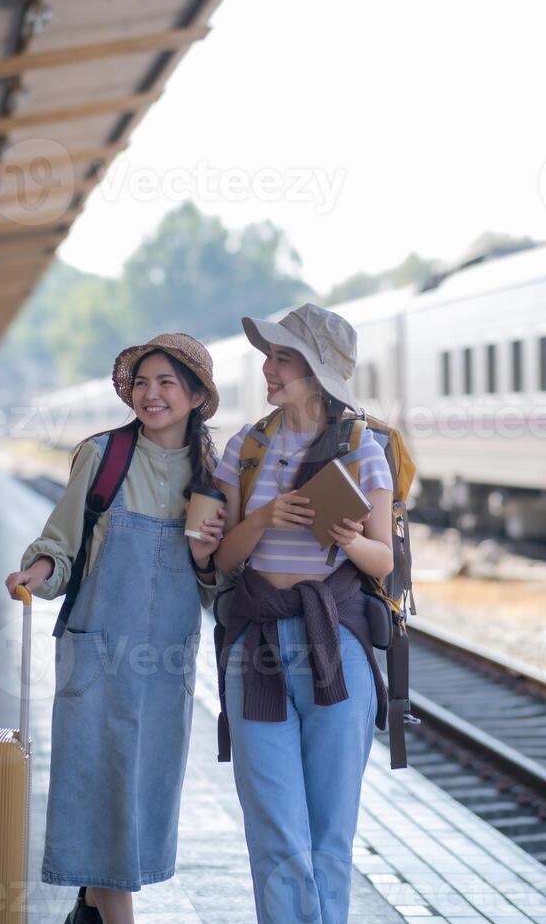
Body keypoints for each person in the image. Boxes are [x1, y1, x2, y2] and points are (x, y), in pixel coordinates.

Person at [5, 334, 225, 924]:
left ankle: (93, 909)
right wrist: (37, 572)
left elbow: (217, 584)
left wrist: (208, 558)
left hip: (164, 666)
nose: (150, 395)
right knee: (96, 792)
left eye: (166, 383)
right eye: (141, 383)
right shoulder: (102, 456)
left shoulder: (213, 475)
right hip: (96, 656)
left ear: (197, 395)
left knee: (140, 796)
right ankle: (106, 910)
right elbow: (62, 543)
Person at [212, 303, 394, 924]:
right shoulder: (246, 446)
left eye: (282, 356)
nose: (268, 367)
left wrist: (345, 538)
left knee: (328, 836)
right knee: (275, 835)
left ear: (315, 371)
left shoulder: (364, 449)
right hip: (255, 645)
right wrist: (264, 517)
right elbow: (218, 562)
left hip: (335, 644)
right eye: (270, 355)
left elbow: (382, 562)